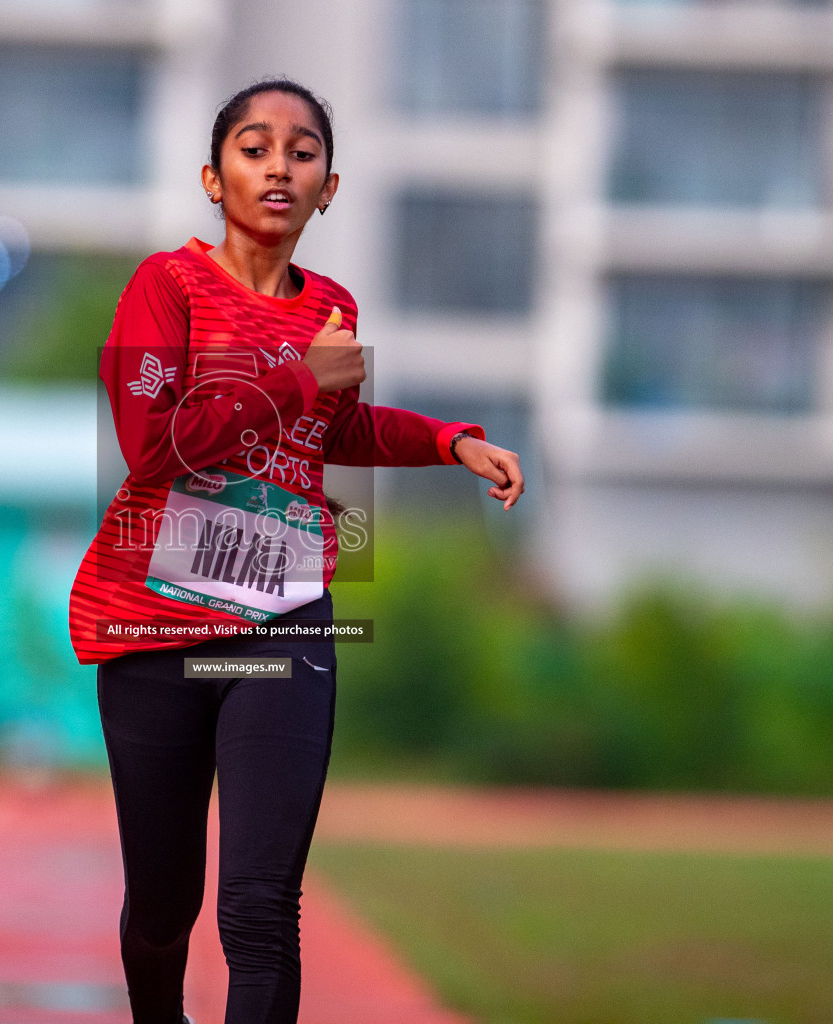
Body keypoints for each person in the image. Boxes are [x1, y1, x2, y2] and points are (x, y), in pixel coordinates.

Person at [67, 77, 525, 1024]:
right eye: (254, 146)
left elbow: (337, 429)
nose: (280, 164)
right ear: (213, 174)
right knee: (164, 906)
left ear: (330, 186)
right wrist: (295, 375)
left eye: (302, 150)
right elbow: (150, 443)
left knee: (263, 903)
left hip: (281, 618)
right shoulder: (165, 285)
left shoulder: (335, 308)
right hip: (154, 627)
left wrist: (448, 441)